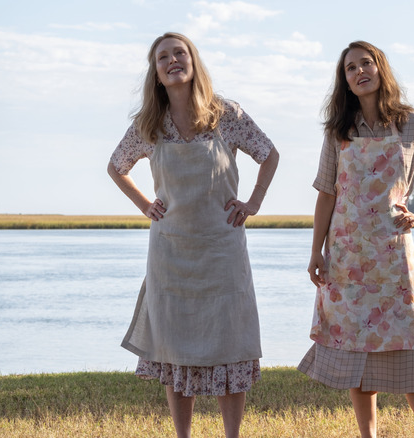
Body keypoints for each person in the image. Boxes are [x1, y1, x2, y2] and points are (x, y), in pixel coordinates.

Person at [107, 32, 279, 438]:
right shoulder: (149, 125)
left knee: (230, 345)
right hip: (170, 255)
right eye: (162, 57)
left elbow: (269, 154)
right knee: (174, 348)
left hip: (222, 252)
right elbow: (117, 166)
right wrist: (146, 206)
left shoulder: (227, 115)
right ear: (156, 73)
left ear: (193, 61)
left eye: (179, 53)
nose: (172, 61)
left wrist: (252, 202)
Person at [299, 41, 414, 438]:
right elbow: (326, 193)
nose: (359, 72)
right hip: (347, 258)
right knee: (357, 355)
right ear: (346, 82)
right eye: (350, 69)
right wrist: (316, 250)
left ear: (380, 69)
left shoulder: (412, 123)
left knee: (410, 352)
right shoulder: (339, 131)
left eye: (366, 63)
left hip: (392, 258)